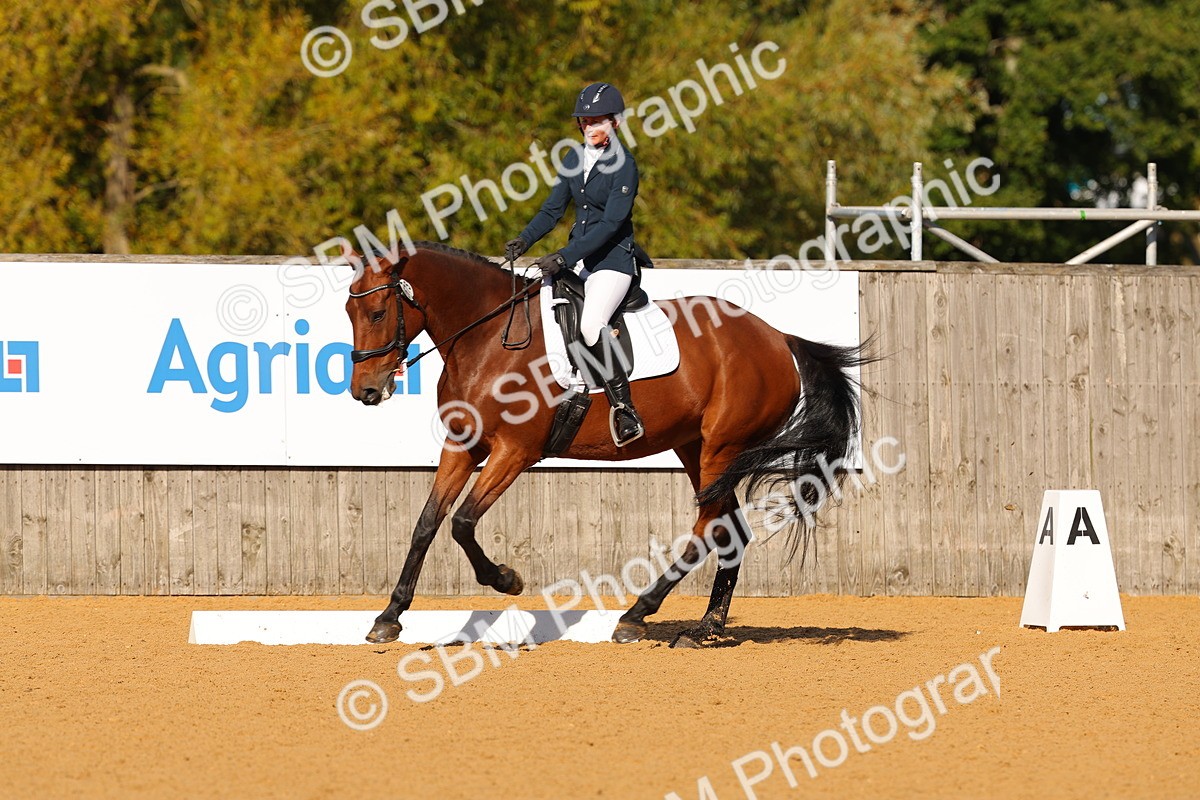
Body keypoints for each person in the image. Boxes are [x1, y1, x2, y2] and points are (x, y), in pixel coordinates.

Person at [506, 81, 645, 447]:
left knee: (590, 323)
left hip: (613, 263)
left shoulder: (625, 165)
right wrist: (524, 239)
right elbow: (553, 210)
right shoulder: (573, 158)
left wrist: (565, 257)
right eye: (585, 121)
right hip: (581, 260)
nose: (590, 127)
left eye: (597, 121)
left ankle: (623, 408)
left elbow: (612, 224)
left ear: (614, 123)